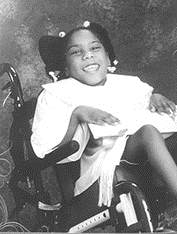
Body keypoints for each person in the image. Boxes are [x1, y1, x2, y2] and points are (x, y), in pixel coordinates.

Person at [31, 21, 177, 207]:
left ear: (108, 58)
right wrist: (77, 115)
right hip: (106, 162)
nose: (88, 55)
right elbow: (46, 147)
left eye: (95, 48)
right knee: (148, 132)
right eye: (76, 52)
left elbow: (145, 108)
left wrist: (154, 97)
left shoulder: (127, 84)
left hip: (148, 155)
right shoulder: (58, 93)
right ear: (65, 66)